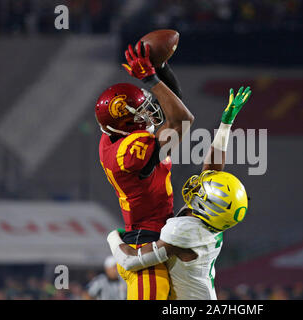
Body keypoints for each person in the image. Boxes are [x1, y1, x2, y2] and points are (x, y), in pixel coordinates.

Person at [107, 86, 251, 299]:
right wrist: (226, 124)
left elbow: (131, 261)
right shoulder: (211, 219)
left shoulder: (185, 233)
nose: (197, 185)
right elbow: (212, 170)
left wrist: (113, 237)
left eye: (202, 191)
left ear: (207, 207)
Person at [95, 41, 194, 300]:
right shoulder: (130, 153)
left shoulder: (116, 135)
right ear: (124, 123)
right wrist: (151, 78)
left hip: (156, 236)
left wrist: (161, 68)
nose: (148, 115)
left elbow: (174, 109)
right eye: (140, 113)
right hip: (147, 244)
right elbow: (182, 119)